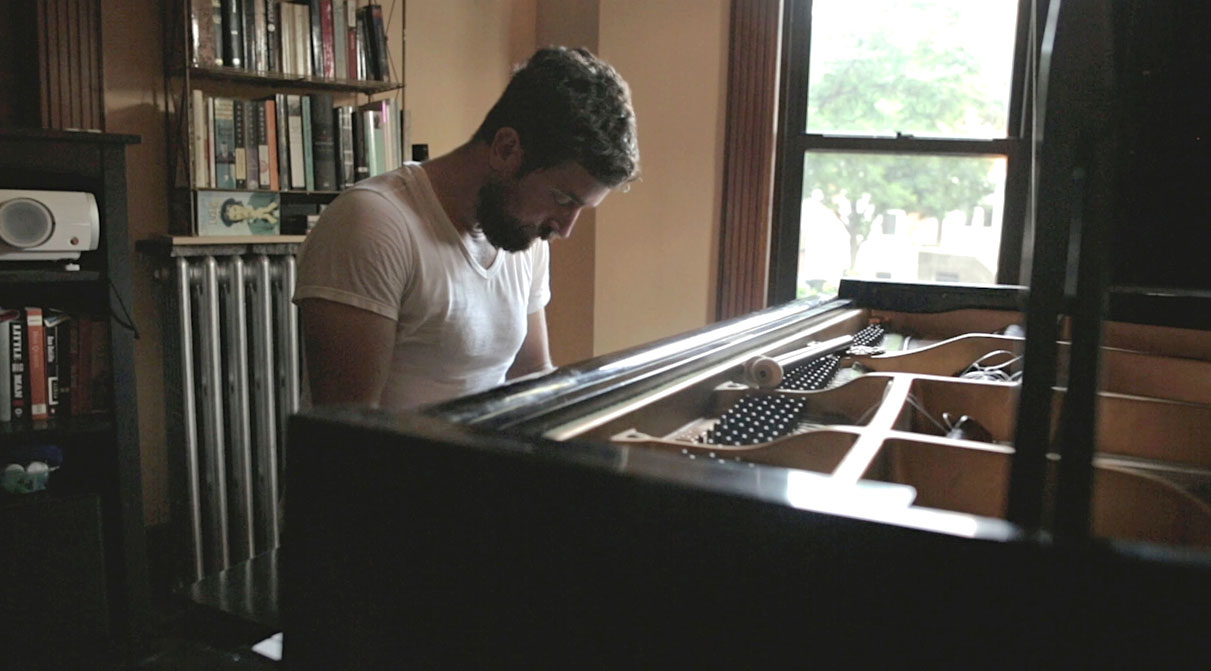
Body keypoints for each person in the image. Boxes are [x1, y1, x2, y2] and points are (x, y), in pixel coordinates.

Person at [293, 46, 640, 411]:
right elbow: (346, 436)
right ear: (506, 149)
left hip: (478, 465)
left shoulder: (524, 236)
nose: (565, 228)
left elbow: (532, 375)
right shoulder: (373, 224)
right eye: (562, 198)